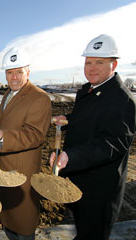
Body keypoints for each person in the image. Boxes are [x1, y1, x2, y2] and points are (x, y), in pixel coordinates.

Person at [50, 34, 136, 240]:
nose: (92, 67)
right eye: (89, 62)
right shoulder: (91, 90)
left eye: (100, 62)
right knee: (82, 229)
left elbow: (112, 143)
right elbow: (92, 117)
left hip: (99, 191)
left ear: (113, 64)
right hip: (81, 183)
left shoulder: (122, 99)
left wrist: (72, 156)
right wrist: (68, 119)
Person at [0, 47, 52, 240]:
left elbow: (35, 134)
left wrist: (3, 136)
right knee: (8, 221)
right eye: (9, 72)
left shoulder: (39, 98)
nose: (13, 77)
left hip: (21, 174)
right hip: (5, 172)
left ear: (28, 72)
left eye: (19, 72)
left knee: (22, 227)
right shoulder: (9, 94)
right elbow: (12, 118)